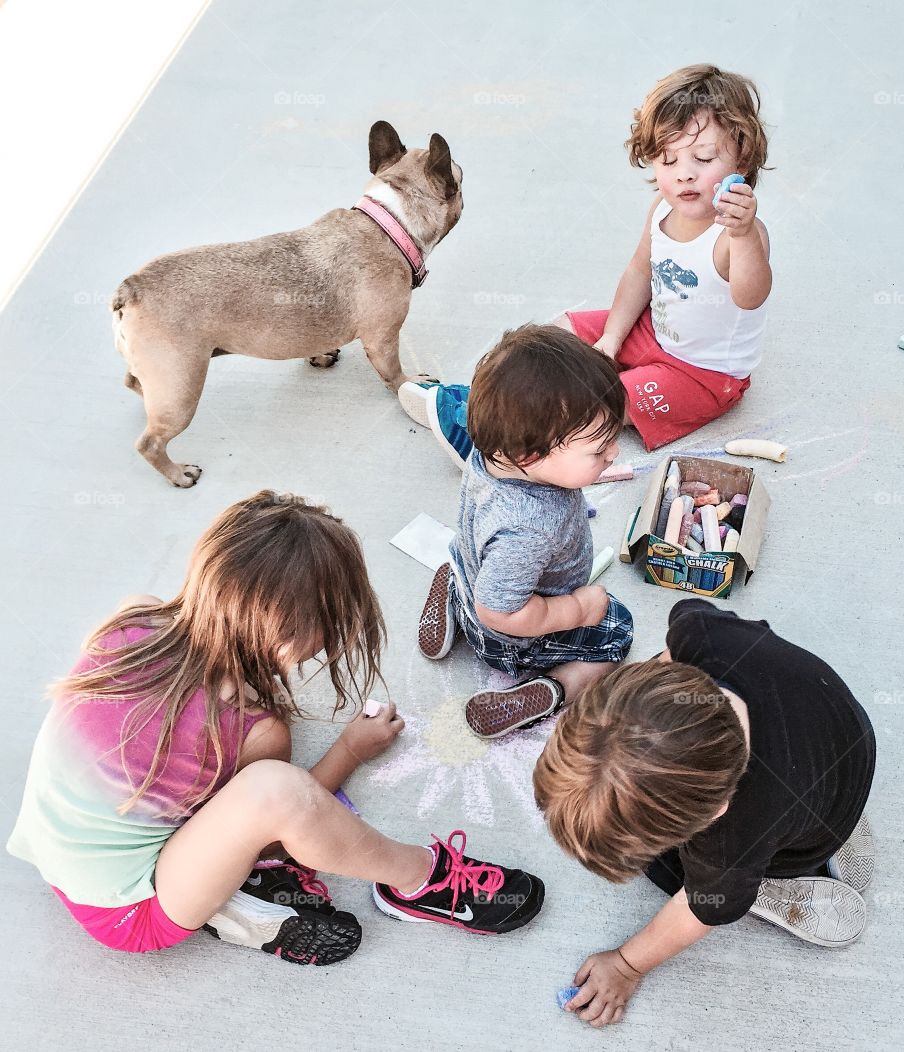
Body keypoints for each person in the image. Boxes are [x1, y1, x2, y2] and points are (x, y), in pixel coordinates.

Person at [7, 491, 544, 962]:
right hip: (131, 910)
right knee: (276, 791)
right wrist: (350, 750)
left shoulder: (133, 619)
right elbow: (281, 830)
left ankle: (245, 902)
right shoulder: (252, 731)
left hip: (58, 859)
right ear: (290, 645)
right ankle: (414, 881)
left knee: (256, 790)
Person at [398, 63, 772, 465]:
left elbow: (750, 297)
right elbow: (640, 273)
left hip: (701, 376)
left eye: (702, 158)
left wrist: (743, 235)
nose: (684, 175)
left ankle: (496, 447)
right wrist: (611, 339)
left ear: (743, 157)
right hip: (654, 330)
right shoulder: (663, 209)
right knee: (555, 335)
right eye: (667, 160)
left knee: (602, 403)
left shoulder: (737, 234)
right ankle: (485, 401)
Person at [533, 598, 876, 1029]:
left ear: (714, 811)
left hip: (805, 825)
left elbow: (699, 910)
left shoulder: (733, 835)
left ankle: (760, 886)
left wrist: (626, 965)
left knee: (680, 877)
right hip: (842, 738)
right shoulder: (699, 632)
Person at [416, 325, 634, 738]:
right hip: (508, 635)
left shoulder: (492, 452)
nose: (614, 452)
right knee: (617, 631)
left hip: (473, 572)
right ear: (529, 455)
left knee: (475, 570)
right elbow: (499, 611)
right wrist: (574, 610)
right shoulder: (529, 529)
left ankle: (451, 593)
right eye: (598, 448)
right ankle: (551, 689)